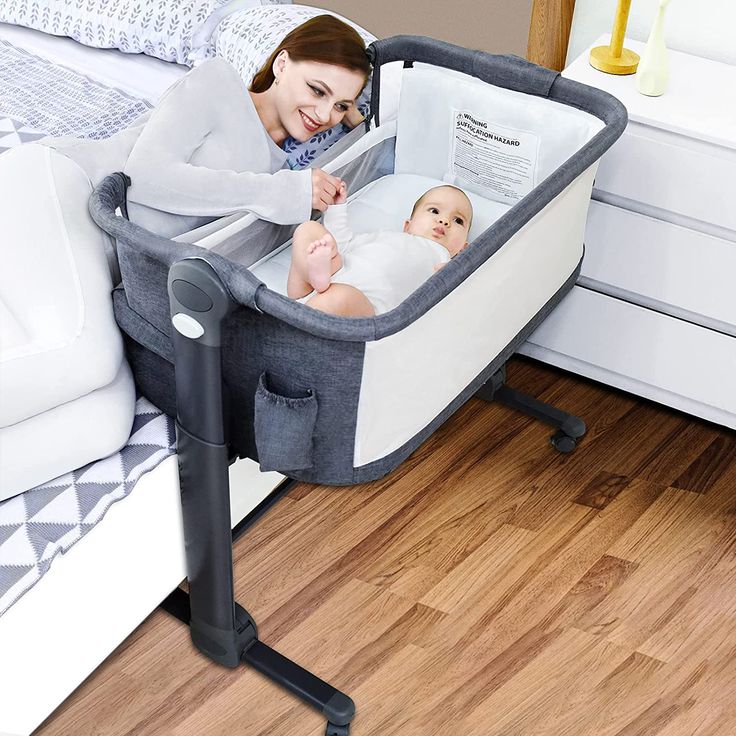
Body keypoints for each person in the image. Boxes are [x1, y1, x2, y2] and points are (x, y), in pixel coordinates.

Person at [38, 14, 372, 237]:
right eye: (317, 90)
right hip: (64, 190)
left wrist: (360, 121)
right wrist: (282, 192)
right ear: (282, 65)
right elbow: (144, 177)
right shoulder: (219, 81)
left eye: (341, 105)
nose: (326, 114)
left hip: (112, 249)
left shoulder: (282, 169)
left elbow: (362, 154)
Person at [286, 184, 473, 317]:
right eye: (434, 211)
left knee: (340, 297)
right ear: (408, 225)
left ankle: (316, 295)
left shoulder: (443, 261)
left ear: (463, 249)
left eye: (458, 220)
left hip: (364, 303)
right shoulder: (384, 236)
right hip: (327, 276)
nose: (444, 221)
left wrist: (458, 269)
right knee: (308, 229)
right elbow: (342, 243)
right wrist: (337, 209)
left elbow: (453, 300)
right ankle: (316, 274)